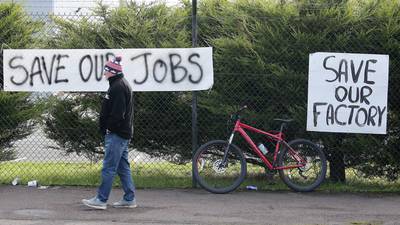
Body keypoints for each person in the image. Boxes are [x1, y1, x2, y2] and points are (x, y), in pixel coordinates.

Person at [82, 56, 136, 210]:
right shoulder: (119, 84)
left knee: (109, 167)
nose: (104, 73)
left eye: (106, 70)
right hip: (121, 133)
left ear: (112, 72)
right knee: (122, 167)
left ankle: (101, 199)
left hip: (117, 134)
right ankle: (129, 198)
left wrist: (109, 128)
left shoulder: (118, 87)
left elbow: (118, 114)